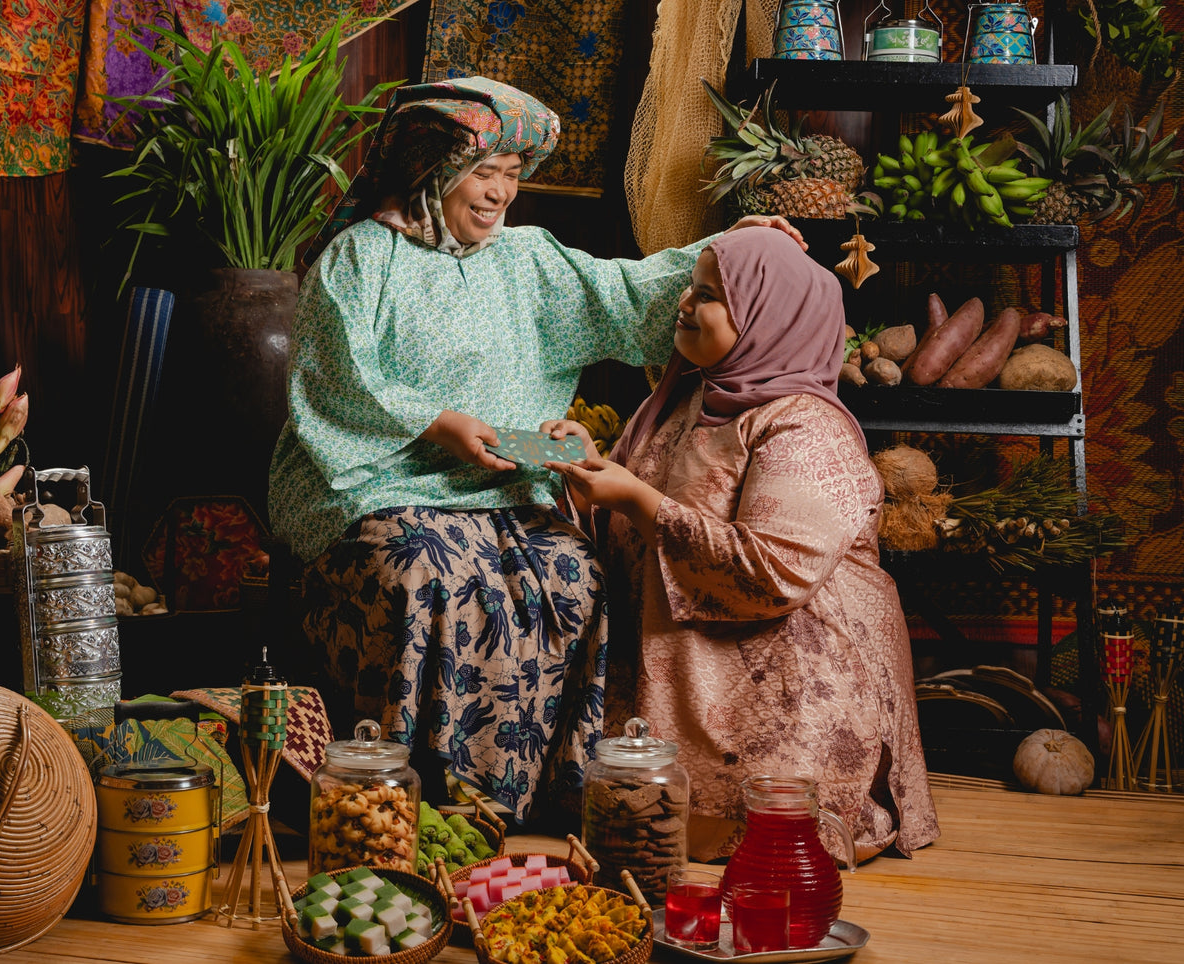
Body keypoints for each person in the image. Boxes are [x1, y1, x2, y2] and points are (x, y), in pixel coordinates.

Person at [268, 75, 802, 824]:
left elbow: (627, 294)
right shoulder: (360, 259)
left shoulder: (527, 260)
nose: (499, 195)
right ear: (429, 172)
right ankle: (410, 800)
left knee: (569, 571)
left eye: (511, 176)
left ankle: (527, 801)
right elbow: (334, 377)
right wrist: (438, 423)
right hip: (376, 480)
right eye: (482, 173)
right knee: (426, 569)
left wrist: (735, 244)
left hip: (503, 482)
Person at [548, 227, 940, 862]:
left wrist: (635, 499)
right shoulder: (680, 400)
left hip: (780, 661)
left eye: (706, 295)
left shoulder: (804, 425)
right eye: (691, 289)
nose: (682, 305)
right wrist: (588, 476)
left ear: (767, 315)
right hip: (671, 655)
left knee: (767, 830)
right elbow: (621, 523)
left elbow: (775, 571)